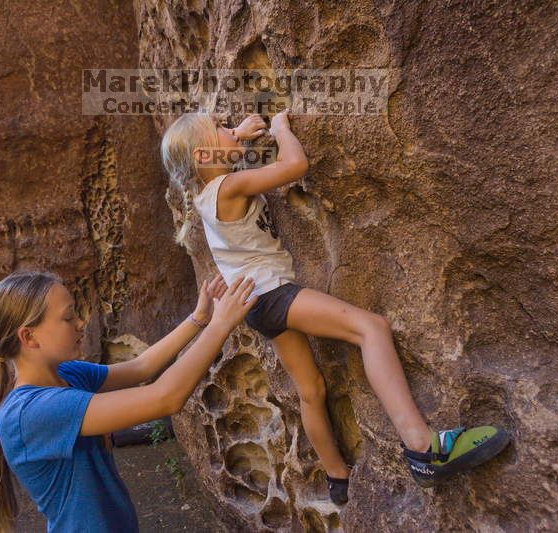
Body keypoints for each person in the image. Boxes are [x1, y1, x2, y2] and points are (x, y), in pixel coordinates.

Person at [160, 110, 511, 503]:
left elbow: (221, 161)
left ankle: (337, 477)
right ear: (203, 155)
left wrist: (237, 136)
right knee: (371, 328)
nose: (231, 130)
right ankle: (421, 446)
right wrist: (280, 130)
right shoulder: (230, 186)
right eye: (221, 129)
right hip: (273, 293)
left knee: (311, 390)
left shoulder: (209, 193)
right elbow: (295, 165)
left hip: (257, 306)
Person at [0, 270, 256, 532]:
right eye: (68, 317)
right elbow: (165, 398)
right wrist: (221, 325)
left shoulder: (67, 374)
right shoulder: (31, 412)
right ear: (28, 336)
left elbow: (141, 367)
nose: (81, 323)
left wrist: (199, 317)